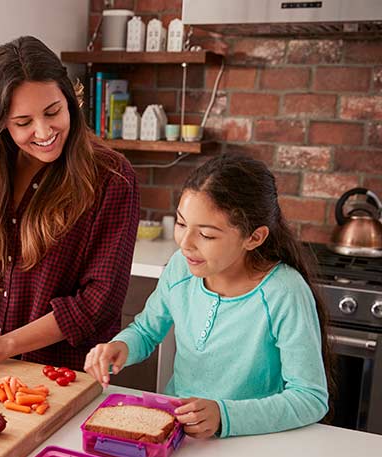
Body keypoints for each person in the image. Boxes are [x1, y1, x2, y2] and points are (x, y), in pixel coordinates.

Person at [0, 36, 139, 371]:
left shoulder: (111, 177)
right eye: (23, 123)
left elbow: (99, 302)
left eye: (53, 111)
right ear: (0, 124)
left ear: (69, 100)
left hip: (65, 374)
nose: (44, 131)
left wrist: (5, 344)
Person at [84, 155, 332, 439]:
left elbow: (310, 397)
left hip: (252, 442)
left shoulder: (284, 292)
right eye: (181, 223)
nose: (185, 243)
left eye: (206, 235)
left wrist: (224, 416)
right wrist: (121, 346)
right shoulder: (181, 268)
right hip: (179, 434)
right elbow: (146, 330)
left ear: (254, 237)